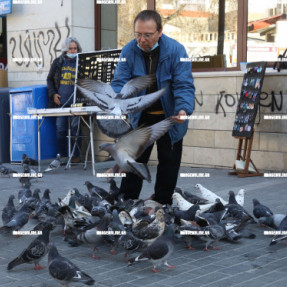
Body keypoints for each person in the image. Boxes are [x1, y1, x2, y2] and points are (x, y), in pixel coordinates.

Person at [111, 10, 195, 205]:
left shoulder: (176, 50)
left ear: (159, 32)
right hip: (140, 118)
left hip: (170, 118)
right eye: (138, 34)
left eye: (147, 35)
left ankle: (162, 203)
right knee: (133, 161)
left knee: (169, 162)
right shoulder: (128, 51)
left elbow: (183, 84)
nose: (142, 39)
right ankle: (127, 202)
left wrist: (183, 109)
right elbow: (120, 81)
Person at [47, 37, 82, 163]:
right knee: (61, 130)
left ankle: (75, 156)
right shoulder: (58, 62)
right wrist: (53, 95)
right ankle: (61, 157)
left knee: (75, 129)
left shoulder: (81, 62)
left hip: (77, 104)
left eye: (75, 49)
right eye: (70, 49)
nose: (73, 51)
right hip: (61, 103)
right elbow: (49, 79)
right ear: (65, 50)